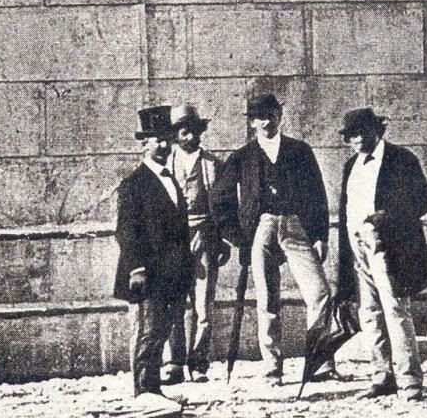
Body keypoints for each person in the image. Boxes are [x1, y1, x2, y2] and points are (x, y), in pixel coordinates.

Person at [211, 93, 332, 386]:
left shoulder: (300, 151)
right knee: (267, 300)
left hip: (296, 225)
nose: (266, 122)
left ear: (280, 115)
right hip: (261, 228)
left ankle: (319, 363)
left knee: (320, 293)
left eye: (271, 115)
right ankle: (272, 368)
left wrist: (320, 235)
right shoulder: (242, 157)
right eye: (259, 118)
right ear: (252, 122)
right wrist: (238, 236)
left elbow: (317, 195)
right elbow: (219, 198)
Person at [336, 108, 427, 402]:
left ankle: (410, 381)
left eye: (360, 133)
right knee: (369, 313)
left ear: (377, 131)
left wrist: (385, 217)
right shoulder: (351, 165)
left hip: (388, 244)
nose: (355, 140)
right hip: (358, 246)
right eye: (350, 136)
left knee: (395, 309)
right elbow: (346, 210)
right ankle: (382, 377)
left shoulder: (401, 159)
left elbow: (422, 201)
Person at [113, 106, 192, 411]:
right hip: (149, 273)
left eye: (167, 139)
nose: (163, 145)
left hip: (173, 273)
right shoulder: (134, 183)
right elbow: (126, 231)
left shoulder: (169, 179)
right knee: (149, 330)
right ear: (144, 144)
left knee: (162, 330)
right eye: (156, 140)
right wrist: (137, 268)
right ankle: (144, 390)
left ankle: (154, 387)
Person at [161, 104, 229, 385]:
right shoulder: (165, 165)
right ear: (175, 135)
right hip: (174, 239)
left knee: (203, 305)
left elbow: (223, 206)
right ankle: (174, 363)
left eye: (195, 131)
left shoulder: (213, 164)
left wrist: (223, 239)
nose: (191, 137)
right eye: (184, 132)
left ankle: (198, 363)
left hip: (205, 236)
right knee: (174, 304)